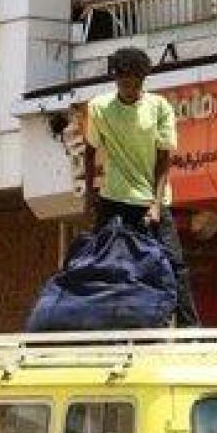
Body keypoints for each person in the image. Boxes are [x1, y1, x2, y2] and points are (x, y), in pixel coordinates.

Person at [83, 46, 200, 327]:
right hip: (114, 198)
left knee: (173, 263)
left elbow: (164, 158)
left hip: (151, 199)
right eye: (125, 83)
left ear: (143, 81)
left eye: (136, 84)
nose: (130, 89)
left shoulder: (159, 107)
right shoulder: (99, 107)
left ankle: (189, 328)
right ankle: (102, 324)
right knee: (105, 262)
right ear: (116, 80)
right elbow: (89, 149)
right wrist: (90, 191)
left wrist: (156, 204)